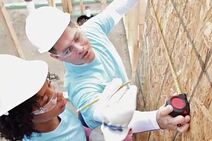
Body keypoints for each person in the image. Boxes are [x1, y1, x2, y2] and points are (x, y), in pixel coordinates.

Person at [25, 0, 190, 140]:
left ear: (76, 26)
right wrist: (156, 120)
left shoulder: (91, 30)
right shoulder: (79, 88)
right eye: (68, 50)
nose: (80, 48)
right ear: (57, 57)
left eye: (77, 37)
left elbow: (117, 9)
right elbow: (114, 120)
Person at [0, 54, 87, 141]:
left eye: (49, 85)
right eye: (46, 100)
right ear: (25, 119)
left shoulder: (55, 111)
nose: (58, 95)